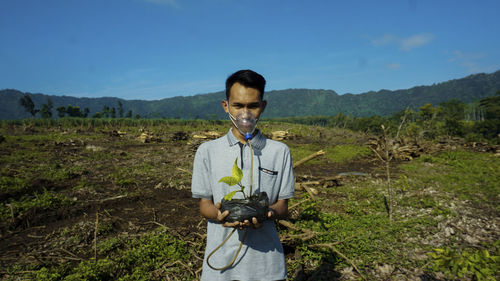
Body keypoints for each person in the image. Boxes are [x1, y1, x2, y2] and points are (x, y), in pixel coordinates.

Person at [191, 69, 295, 281]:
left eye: (253, 106)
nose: (245, 114)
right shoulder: (207, 151)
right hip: (220, 268)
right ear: (226, 106)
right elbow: (205, 205)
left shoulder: (279, 151)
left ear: (262, 107)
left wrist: (268, 214)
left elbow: (282, 206)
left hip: (267, 269)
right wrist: (219, 216)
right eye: (238, 105)